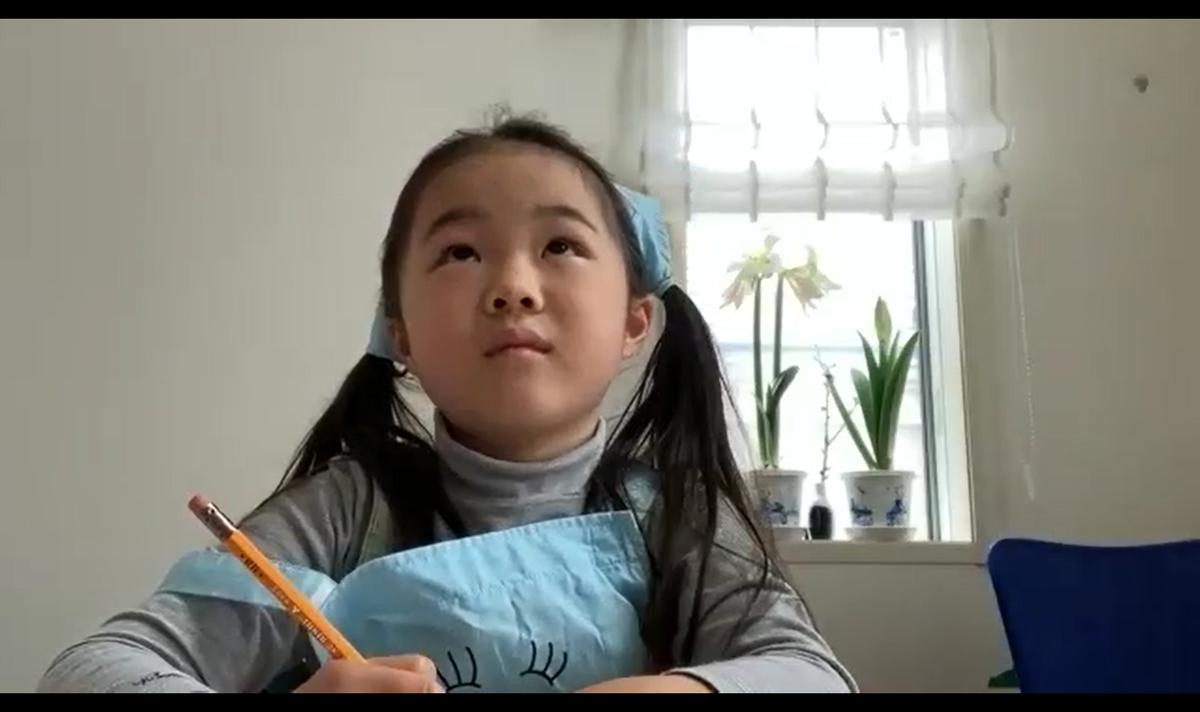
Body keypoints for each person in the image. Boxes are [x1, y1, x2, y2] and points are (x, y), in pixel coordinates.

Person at [37, 110, 857, 694]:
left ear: (634, 324)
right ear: (399, 334)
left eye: (561, 245)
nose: (512, 287)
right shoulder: (344, 513)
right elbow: (88, 670)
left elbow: (814, 674)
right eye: (461, 252)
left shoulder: (677, 514)